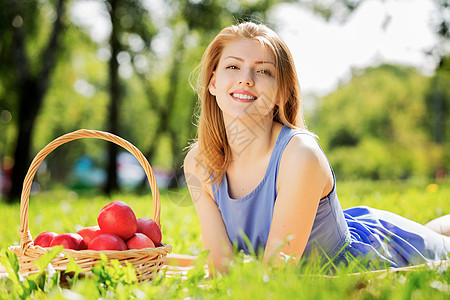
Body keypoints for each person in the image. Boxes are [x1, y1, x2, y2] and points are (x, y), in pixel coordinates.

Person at [183, 21, 450, 273]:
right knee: (432, 231)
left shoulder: (299, 155)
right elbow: (221, 267)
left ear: (281, 93)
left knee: (439, 248)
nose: (246, 79)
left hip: (362, 269)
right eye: (233, 67)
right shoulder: (198, 163)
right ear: (213, 82)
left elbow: (274, 275)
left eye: (264, 71)